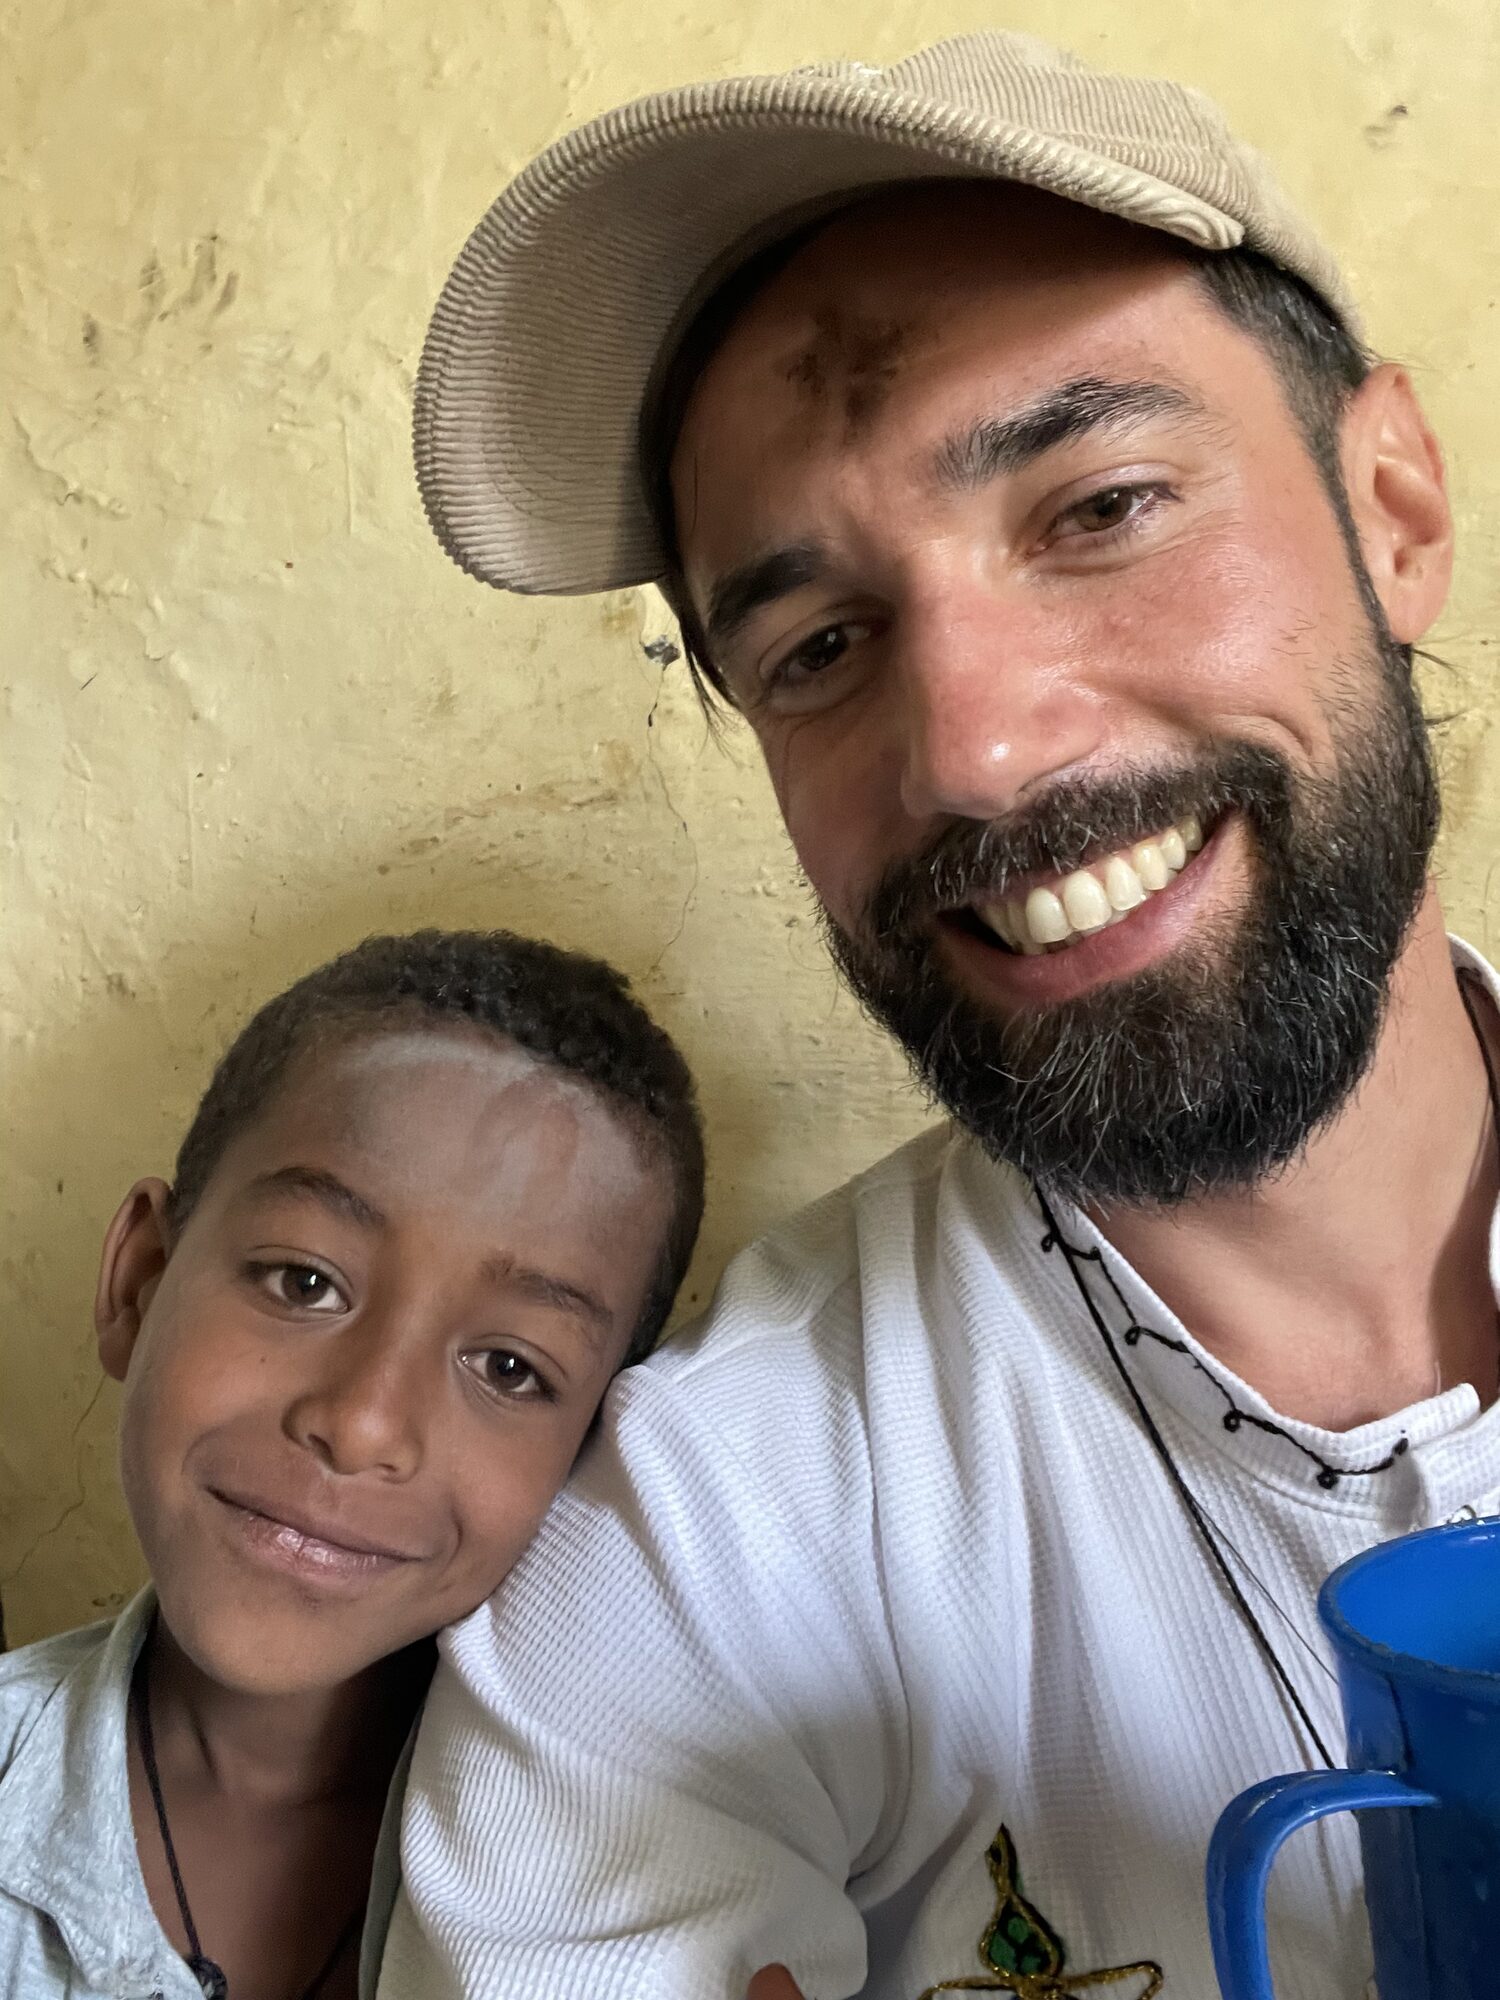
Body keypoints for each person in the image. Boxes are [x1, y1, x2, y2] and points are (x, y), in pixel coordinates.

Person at [387, 32, 1497, 2000]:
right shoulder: (702, 1551)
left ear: (1394, 505)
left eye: (1100, 507)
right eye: (819, 643)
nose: (973, 753)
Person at [0, 928, 704, 2000]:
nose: (366, 1421)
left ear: (598, 1448)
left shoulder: (665, 1884)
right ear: (139, 1280)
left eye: (510, 1365)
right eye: (302, 1281)